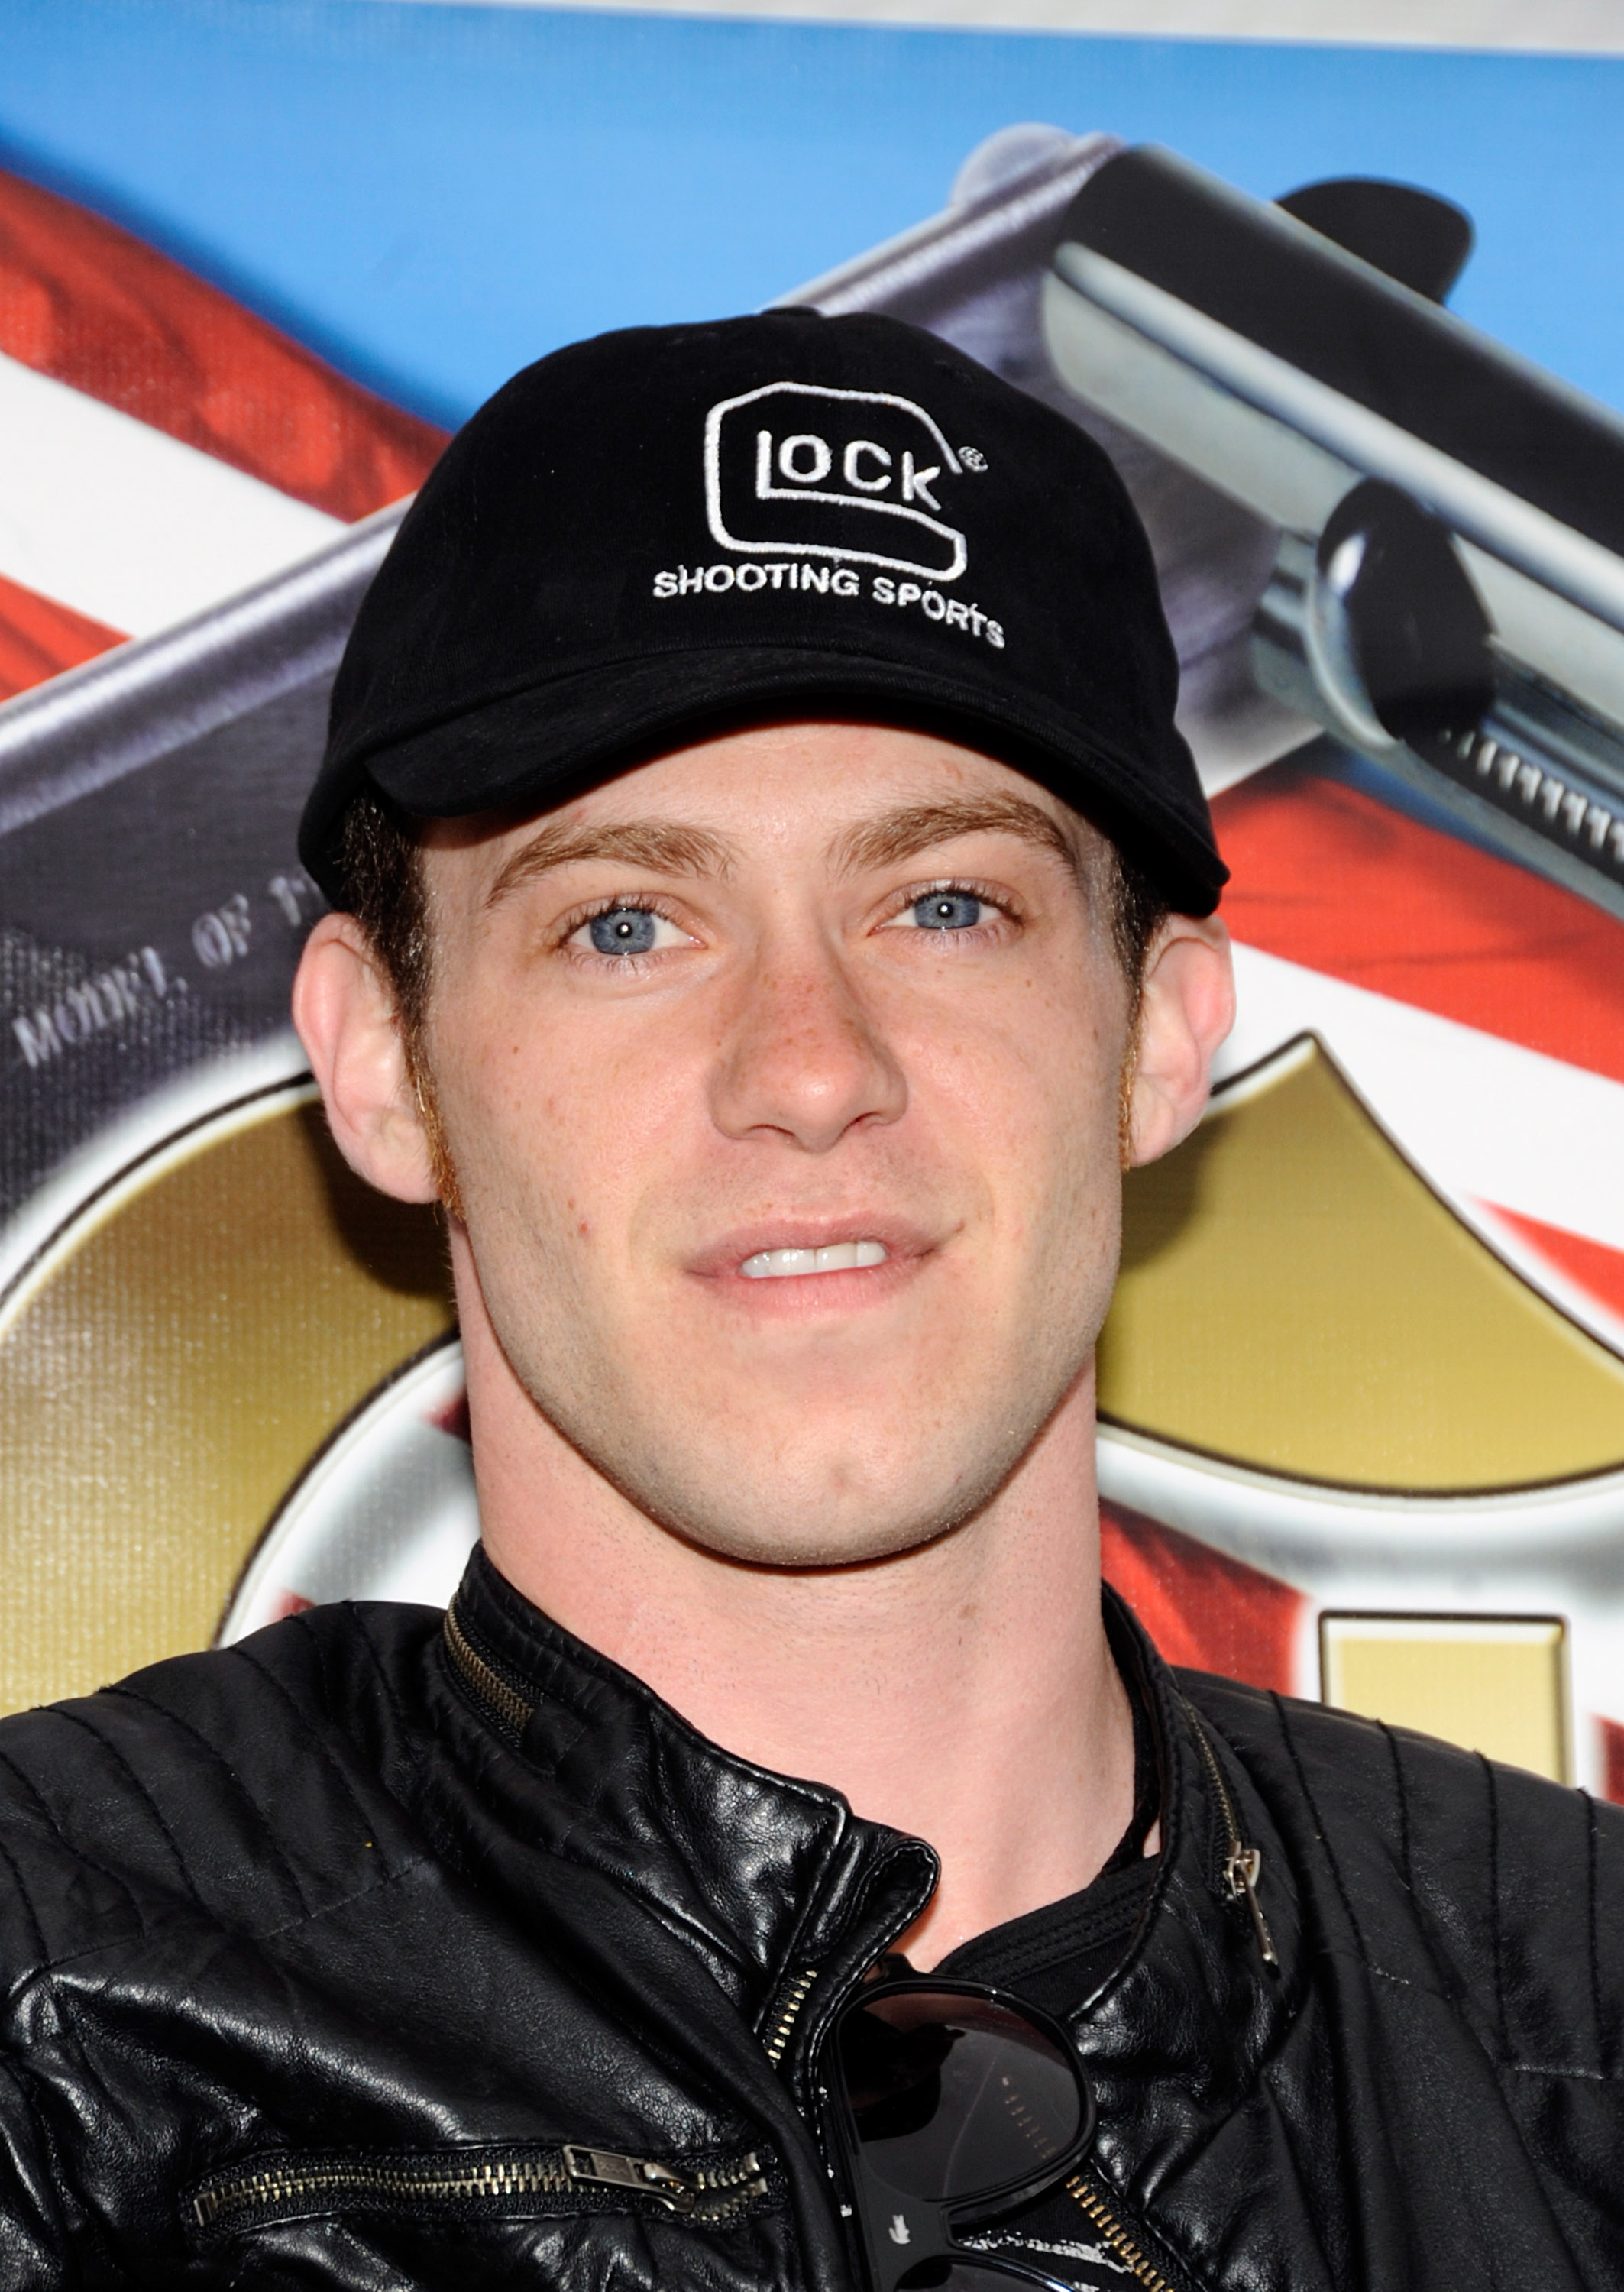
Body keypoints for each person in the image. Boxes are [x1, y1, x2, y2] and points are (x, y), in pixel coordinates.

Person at [0, 310, 1617, 2292]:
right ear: (379, 1061)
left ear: (1160, 1035)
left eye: (946, 904)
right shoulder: (53, 2009)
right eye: (625, 920)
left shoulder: (1580, 2025)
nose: (808, 1060)